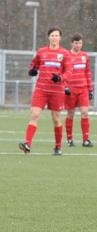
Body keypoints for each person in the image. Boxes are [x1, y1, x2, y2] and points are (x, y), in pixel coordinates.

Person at [19, 26, 70, 155]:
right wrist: (32, 71)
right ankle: (27, 144)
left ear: (60, 37)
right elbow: (34, 65)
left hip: (57, 91)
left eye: (56, 35)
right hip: (41, 89)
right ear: (48, 37)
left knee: (56, 119)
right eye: (52, 35)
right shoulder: (42, 51)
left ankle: (58, 147)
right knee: (35, 114)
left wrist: (60, 78)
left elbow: (69, 71)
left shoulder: (64, 53)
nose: (54, 38)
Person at [64, 33, 94, 148]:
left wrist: (90, 89)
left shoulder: (85, 56)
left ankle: (86, 140)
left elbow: (87, 73)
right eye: (76, 43)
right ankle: (69, 139)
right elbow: (64, 72)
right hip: (70, 90)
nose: (78, 45)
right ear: (72, 43)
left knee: (85, 113)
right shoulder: (66, 56)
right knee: (70, 114)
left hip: (83, 89)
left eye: (80, 43)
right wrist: (65, 86)